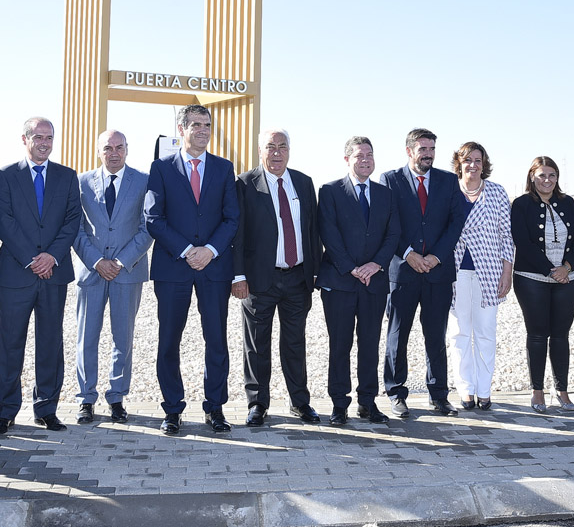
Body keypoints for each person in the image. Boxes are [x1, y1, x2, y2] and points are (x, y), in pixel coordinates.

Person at [145, 104, 240, 435]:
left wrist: (210, 251)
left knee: (216, 341)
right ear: (181, 129)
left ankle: (215, 408)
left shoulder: (224, 168)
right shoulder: (161, 168)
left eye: (207, 125)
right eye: (196, 124)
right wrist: (188, 251)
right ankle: (172, 409)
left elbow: (232, 218)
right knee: (169, 340)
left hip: (214, 269)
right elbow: (154, 218)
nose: (203, 130)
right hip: (173, 268)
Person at [0, 117, 82, 434]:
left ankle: (47, 409)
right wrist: (33, 258)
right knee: (10, 343)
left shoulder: (67, 176)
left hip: (53, 274)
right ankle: (4, 411)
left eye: (50, 137)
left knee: (50, 343)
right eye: (39, 136)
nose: (45, 142)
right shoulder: (6, 176)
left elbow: (72, 222)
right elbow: (4, 222)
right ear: (25, 139)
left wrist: (51, 256)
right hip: (17, 272)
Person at [233, 129, 322, 426]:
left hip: (297, 278)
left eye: (282, 147)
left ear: (289, 151)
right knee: (257, 345)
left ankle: (300, 402)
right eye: (270, 147)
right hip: (260, 279)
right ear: (260, 150)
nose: (276, 152)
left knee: (295, 344)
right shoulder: (245, 184)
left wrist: (315, 274)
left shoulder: (304, 183)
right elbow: (238, 234)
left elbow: (312, 231)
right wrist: (239, 276)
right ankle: (257, 403)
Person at [380, 128, 467, 418]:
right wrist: (409, 254)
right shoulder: (390, 180)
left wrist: (436, 257)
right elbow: (387, 223)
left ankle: (439, 396)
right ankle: (396, 393)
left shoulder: (448, 181)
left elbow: (456, 222)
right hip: (403, 272)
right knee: (397, 335)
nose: (428, 154)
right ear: (409, 151)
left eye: (431, 149)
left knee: (435, 336)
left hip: (437, 273)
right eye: (422, 149)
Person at [318, 137, 400, 425]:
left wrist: (375, 264)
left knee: (370, 345)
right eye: (358, 155)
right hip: (340, 282)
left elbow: (393, 234)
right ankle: (339, 404)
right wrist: (352, 268)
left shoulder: (385, 194)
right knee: (339, 345)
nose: (365, 159)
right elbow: (328, 232)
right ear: (347, 160)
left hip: (374, 283)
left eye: (369, 154)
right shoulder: (329, 191)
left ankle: (368, 402)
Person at [73, 129, 153, 424]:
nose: (114, 152)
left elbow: (148, 227)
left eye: (119, 147)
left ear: (127, 149)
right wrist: (97, 262)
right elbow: (76, 229)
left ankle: (117, 397)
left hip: (127, 272)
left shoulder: (143, 182)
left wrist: (119, 261)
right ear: (99, 151)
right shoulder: (81, 183)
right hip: (91, 272)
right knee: (86, 338)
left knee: (123, 339)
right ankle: (85, 399)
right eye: (108, 148)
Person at [510, 157, 574, 413]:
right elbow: (522, 241)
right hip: (532, 279)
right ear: (532, 176)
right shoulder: (521, 205)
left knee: (561, 336)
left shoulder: (567, 203)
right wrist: (550, 271)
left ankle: (562, 391)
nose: (547, 180)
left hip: (567, 279)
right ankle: (537, 391)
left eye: (552, 175)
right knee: (538, 334)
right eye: (541, 175)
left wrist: (567, 268)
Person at [447, 142, 514, 411]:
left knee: (485, 332)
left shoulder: (497, 193)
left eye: (478, 160)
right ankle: (466, 390)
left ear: (484, 164)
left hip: (488, 270)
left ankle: (484, 390)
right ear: (459, 163)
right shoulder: (449, 191)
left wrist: (507, 272)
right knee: (459, 333)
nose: (472, 165)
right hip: (454, 270)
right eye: (467, 160)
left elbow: (506, 235)